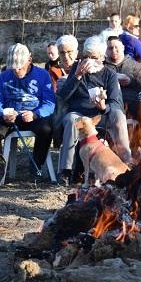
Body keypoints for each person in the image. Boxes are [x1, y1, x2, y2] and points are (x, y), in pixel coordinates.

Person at [56, 37, 132, 181]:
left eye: (94, 57)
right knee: (72, 120)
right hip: (79, 114)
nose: (89, 60)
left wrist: (104, 107)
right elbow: (64, 96)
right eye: (86, 57)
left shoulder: (109, 74)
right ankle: (66, 171)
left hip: (100, 115)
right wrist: (77, 75)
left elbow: (116, 102)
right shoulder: (77, 69)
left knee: (119, 116)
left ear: (103, 58)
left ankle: (126, 162)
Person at [0, 44, 56, 177]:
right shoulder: (3, 76)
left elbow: (49, 103)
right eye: (13, 68)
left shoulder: (42, 75)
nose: (16, 71)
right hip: (10, 116)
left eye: (20, 67)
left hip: (34, 115)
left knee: (46, 130)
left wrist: (36, 114)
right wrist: (3, 115)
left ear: (29, 60)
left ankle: (36, 165)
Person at [104, 35, 141, 120]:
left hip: (132, 103)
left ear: (123, 47)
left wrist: (130, 81)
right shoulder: (103, 67)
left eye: (116, 47)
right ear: (106, 50)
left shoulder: (134, 65)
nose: (114, 50)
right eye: (110, 48)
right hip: (110, 104)